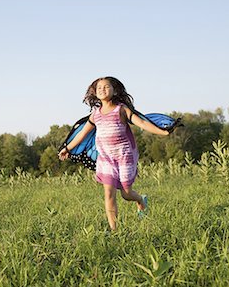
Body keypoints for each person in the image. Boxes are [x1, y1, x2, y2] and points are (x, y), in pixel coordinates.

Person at [58, 77, 169, 231]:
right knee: (108, 194)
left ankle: (140, 200)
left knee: (126, 193)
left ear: (114, 90)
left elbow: (142, 123)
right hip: (105, 159)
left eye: (106, 86)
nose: (102, 89)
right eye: (99, 88)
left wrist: (162, 132)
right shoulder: (95, 114)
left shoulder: (121, 109)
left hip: (124, 156)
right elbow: (82, 134)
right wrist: (68, 148)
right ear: (95, 94)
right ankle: (114, 230)